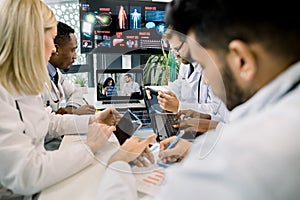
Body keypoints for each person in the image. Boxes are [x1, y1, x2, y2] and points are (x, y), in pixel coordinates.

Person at [96, 0, 300, 199]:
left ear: (242, 60)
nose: (207, 80)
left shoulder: (236, 157)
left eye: (203, 63)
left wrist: (117, 162)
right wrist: (197, 148)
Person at [0, 1, 118, 199]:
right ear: (32, 39)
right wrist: (88, 147)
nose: (54, 49)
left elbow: (50, 122)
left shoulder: (23, 82)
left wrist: (93, 120)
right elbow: (25, 174)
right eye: (52, 38)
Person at [42, 21, 95, 115]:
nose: (75, 56)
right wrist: (74, 114)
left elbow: (76, 92)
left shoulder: (55, 74)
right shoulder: (34, 79)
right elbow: (46, 123)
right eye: (72, 50)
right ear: (56, 49)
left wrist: (70, 108)